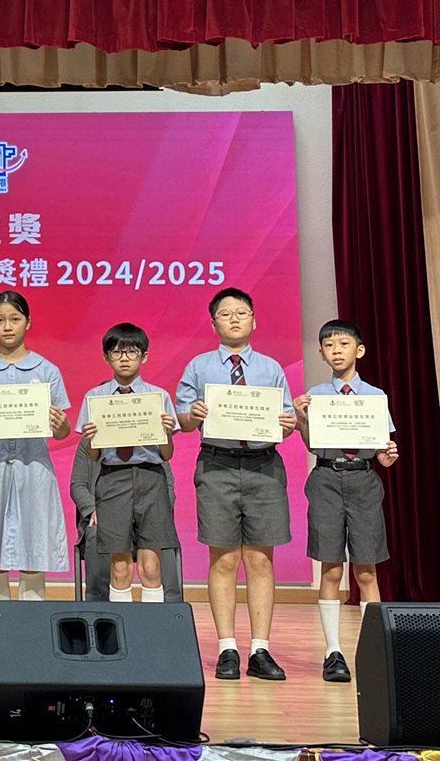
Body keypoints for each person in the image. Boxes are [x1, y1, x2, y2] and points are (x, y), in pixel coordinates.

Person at [176, 287, 297, 682]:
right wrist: (192, 415)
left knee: (260, 560)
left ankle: (260, 649)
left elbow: (286, 421)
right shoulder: (198, 367)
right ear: (214, 323)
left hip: (264, 466)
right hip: (217, 465)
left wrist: (288, 423)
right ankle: (227, 648)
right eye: (225, 314)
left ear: (254, 321)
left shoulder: (270, 368)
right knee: (224, 559)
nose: (234, 319)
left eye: (241, 313)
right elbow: (182, 420)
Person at [292, 319, 399, 684]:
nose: (336, 351)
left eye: (343, 344)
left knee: (366, 570)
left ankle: (374, 653)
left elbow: (382, 447)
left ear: (359, 350)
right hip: (326, 477)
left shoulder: (374, 396)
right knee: (331, 569)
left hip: (364, 479)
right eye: (329, 346)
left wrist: (387, 457)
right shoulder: (316, 395)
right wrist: (302, 419)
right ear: (322, 354)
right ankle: (333, 652)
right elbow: (312, 444)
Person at [0, 291, 71, 601]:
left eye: (15, 319)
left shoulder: (46, 371)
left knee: (33, 552)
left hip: (33, 470)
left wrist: (60, 423)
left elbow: (62, 432)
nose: (7, 326)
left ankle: (31, 626)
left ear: (28, 322)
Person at [75, 323, 178, 603]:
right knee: (119, 566)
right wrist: (91, 439)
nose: (124, 358)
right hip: (112, 479)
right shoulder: (95, 398)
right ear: (106, 357)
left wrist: (167, 432)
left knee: (151, 564)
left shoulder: (158, 397)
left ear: (144, 356)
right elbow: (93, 457)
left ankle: (152, 626)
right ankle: (123, 625)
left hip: (151, 478)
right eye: (117, 352)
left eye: (132, 352)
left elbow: (167, 454)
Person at [69, 439, 185, 602]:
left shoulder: (150, 438)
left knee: (159, 544)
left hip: (148, 508)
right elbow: (78, 485)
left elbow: (168, 485)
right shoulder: (92, 437)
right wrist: (93, 510)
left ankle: (170, 602)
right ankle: (98, 603)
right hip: (107, 509)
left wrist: (160, 510)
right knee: (97, 533)